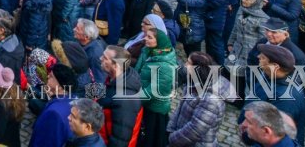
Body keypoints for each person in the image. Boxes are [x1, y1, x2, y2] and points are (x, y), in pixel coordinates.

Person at [167, 53, 232, 147]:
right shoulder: (194, 82)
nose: (185, 65)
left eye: (189, 63)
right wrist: (171, 128)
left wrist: (173, 138)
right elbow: (180, 109)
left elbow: (195, 130)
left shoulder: (210, 100)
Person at [135, 18, 177, 147]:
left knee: (151, 140)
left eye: (150, 37)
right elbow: (138, 71)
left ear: (158, 42)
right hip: (143, 102)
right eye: (146, 36)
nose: (145, 39)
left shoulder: (164, 66)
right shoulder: (148, 52)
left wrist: (133, 100)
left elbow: (154, 91)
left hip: (154, 108)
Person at [99, 45, 142, 147]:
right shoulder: (113, 78)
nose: (100, 58)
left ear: (116, 65)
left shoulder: (125, 99)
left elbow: (121, 138)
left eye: (105, 58)